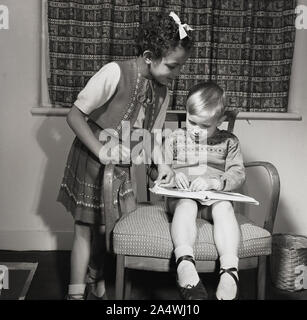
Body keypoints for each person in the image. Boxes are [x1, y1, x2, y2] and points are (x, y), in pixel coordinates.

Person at [57, 12, 193, 300]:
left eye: (180, 67)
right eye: (172, 66)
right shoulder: (114, 72)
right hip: (92, 159)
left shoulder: (163, 91)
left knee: (109, 225)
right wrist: (101, 150)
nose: (177, 73)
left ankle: (97, 274)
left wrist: (164, 165)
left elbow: (153, 135)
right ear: (148, 55)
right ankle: (75, 292)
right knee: (86, 226)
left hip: (121, 166)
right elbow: (74, 116)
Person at [164, 82, 245, 300]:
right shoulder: (175, 138)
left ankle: (229, 270)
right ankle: (185, 263)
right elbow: (159, 170)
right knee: (187, 205)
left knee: (225, 207)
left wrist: (217, 182)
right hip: (182, 198)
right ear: (187, 114)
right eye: (192, 122)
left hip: (212, 200)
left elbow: (238, 173)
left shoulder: (229, 141)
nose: (197, 131)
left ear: (220, 121)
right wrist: (172, 174)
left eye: (205, 126)